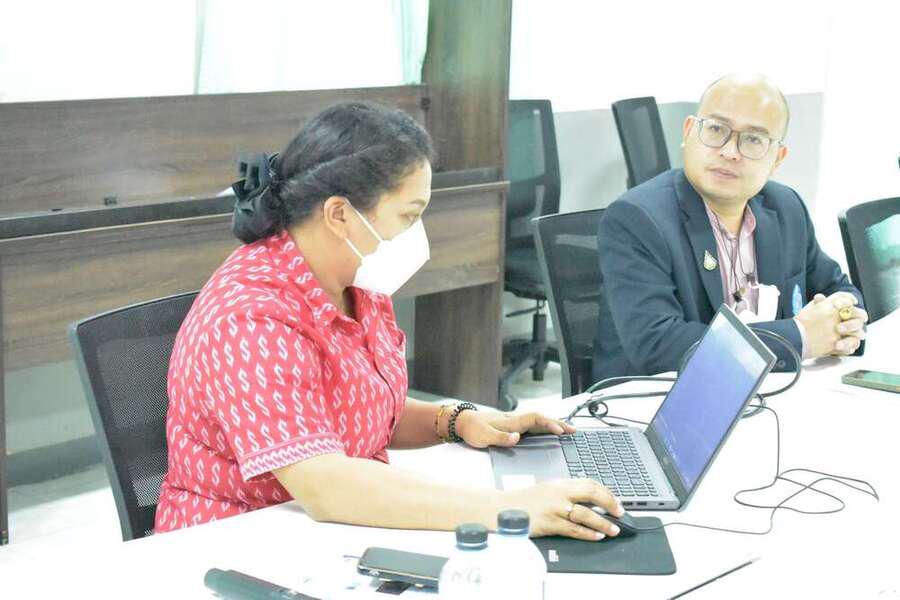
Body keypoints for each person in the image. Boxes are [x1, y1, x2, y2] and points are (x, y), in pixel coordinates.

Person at [155, 102, 624, 541]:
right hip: (237, 543)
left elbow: (362, 411)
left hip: (333, 525)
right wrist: (507, 509)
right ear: (339, 214)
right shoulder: (252, 317)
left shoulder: (356, 280)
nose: (416, 233)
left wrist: (455, 419)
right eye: (409, 215)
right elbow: (326, 486)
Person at [594, 74, 868, 380]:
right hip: (656, 397)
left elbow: (839, 289)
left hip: (766, 392)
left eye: (753, 139)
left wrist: (844, 320)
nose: (730, 151)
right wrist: (801, 337)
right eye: (716, 129)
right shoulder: (638, 218)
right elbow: (658, 345)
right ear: (689, 132)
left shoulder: (785, 207)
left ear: (777, 158)